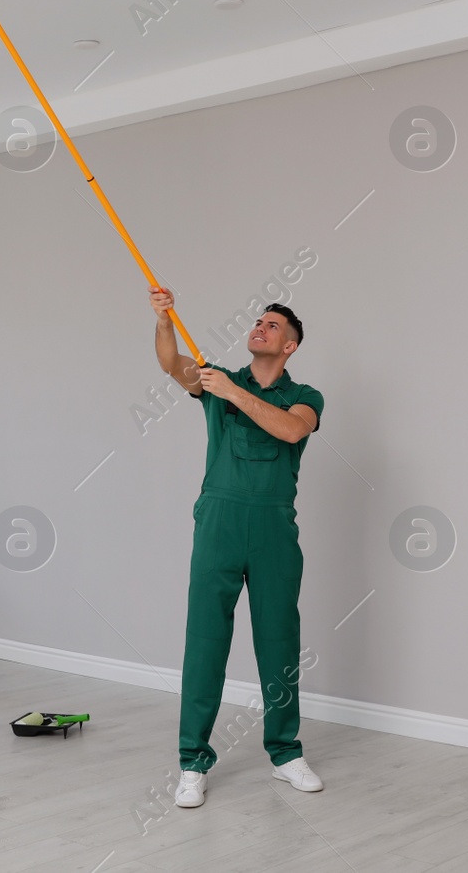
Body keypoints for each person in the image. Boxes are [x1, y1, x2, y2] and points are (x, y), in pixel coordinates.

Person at [148, 284, 326, 809]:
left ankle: (286, 753)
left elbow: (292, 432)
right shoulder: (217, 380)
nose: (260, 328)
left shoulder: (304, 396)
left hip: (274, 528)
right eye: (258, 322)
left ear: (290, 345)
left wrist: (231, 393)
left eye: (273, 326)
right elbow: (171, 363)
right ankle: (192, 763)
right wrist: (163, 320)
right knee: (204, 642)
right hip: (219, 521)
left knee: (279, 642)